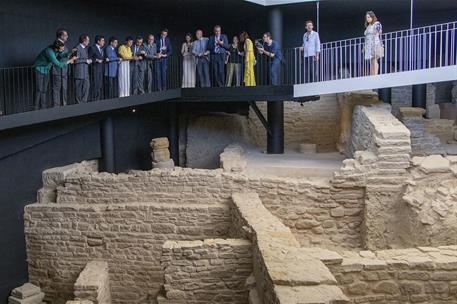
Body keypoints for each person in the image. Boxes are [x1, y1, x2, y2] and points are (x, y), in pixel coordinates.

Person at [33, 40, 77, 109]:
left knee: (44, 89)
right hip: (39, 69)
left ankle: (43, 107)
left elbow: (62, 54)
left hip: (46, 70)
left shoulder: (56, 50)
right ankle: (35, 107)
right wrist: (70, 61)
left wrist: (71, 52)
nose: (63, 50)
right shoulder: (49, 51)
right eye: (62, 49)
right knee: (39, 89)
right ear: (57, 48)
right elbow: (58, 64)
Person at [51, 28, 70, 107]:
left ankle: (63, 107)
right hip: (58, 71)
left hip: (64, 71)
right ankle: (56, 108)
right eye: (65, 35)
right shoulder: (56, 43)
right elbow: (58, 56)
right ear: (61, 36)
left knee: (64, 89)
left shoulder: (64, 45)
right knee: (57, 90)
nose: (67, 37)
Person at [364, 11, 383, 76]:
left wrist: (376, 31)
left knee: (374, 59)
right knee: (371, 61)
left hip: (375, 43)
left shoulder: (376, 23)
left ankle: (375, 74)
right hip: (369, 45)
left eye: (369, 17)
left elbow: (380, 31)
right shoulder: (368, 26)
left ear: (372, 17)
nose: (367, 19)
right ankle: (372, 75)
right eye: (366, 17)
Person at [74, 34, 92, 103]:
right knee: (78, 90)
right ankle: (79, 104)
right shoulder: (77, 48)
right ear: (84, 41)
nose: (88, 42)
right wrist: (85, 61)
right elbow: (75, 60)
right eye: (88, 41)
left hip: (85, 73)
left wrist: (88, 60)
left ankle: (84, 103)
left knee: (86, 88)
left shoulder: (86, 49)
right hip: (79, 73)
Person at [88, 35, 105, 100]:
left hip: (100, 69)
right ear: (98, 41)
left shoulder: (102, 49)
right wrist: (96, 60)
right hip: (94, 69)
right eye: (102, 40)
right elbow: (89, 58)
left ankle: (98, 99)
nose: (104, 42)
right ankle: (93, 99)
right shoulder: (92, 48)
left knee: (99, 85)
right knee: (94, 85)